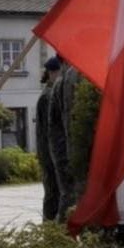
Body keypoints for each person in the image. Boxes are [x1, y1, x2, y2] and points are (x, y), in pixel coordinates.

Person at [47, 61, 81, 221]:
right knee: (69, 196)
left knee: (68, 196)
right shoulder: (67, 80)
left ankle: (61, 230)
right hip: (66, 151)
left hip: (64, 150)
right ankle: (62, 231)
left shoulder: (64, 80)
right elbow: (67, 121)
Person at [35, 56, 61, 222]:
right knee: (53, 193)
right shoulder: (48, 96)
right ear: (51, 73)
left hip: (50, 152)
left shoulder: (51, 93)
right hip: (49, 153)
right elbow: (49, 130)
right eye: (59, 72)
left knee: (55, 192)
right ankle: (49, 228)